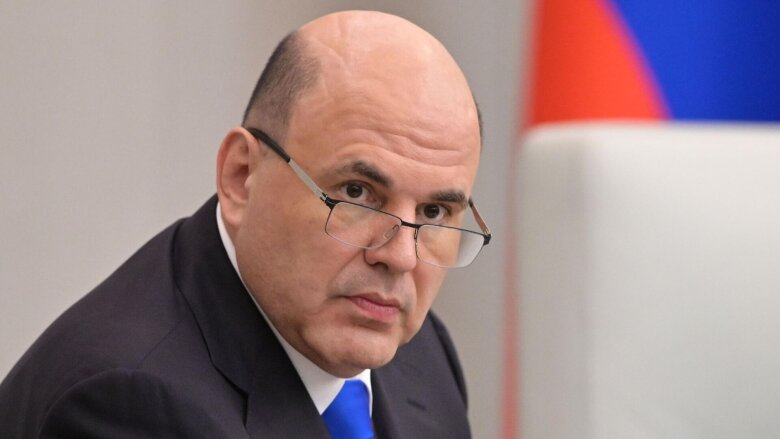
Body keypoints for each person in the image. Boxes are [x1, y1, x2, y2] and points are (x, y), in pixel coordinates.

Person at [0, 10, 489, 438]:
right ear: (241, 176)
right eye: (357, 193)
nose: (401, 257)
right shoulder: (127, 405)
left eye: (433, 213)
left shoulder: (417, 349)